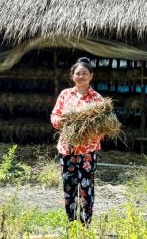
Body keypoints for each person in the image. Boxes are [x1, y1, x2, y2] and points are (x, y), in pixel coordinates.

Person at [50, 57, 103, 224]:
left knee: (86, 188)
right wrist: (61, 121)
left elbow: (104, 126)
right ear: (72, 76)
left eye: (84, 73)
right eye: (77, 73)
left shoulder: (97, 99)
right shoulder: (65, 94)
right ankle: (71, 222)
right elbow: (55, 116)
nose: (81, 76)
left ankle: (85, 223)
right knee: (68, 187)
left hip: (87, 150)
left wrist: (91, 132)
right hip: (66, 149)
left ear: (91, 76)